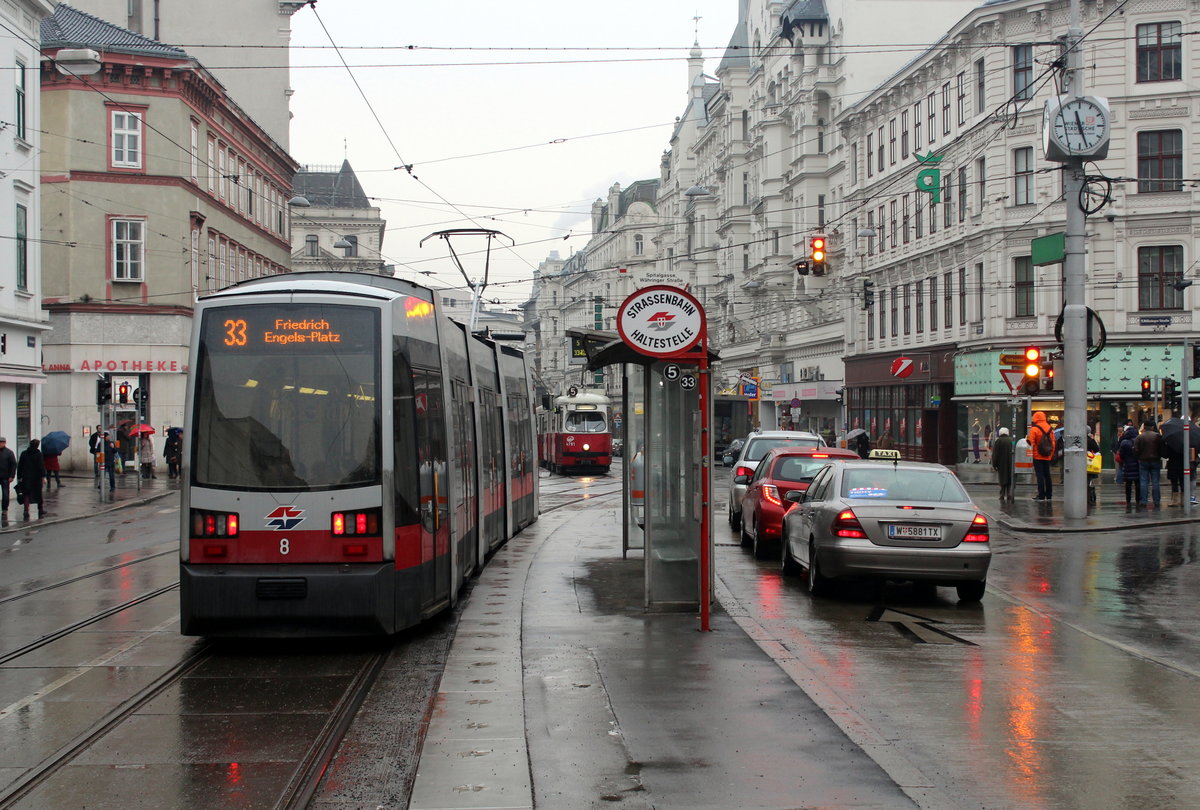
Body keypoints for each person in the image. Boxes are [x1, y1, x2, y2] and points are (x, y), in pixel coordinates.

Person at [1134, 420, 1164, 509]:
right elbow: (1161, 449)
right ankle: (1156, 501)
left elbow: (1136, 450)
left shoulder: (1140, 437)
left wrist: (1138, 457)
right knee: (1155, 482)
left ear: (1144, 427)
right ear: (1152, 427)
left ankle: (1144, 501)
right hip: (1155, 460)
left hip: (1143, 461)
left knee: (1143, 482)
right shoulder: (1157, 436)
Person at [1027, 411, 1055, 501]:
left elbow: (1030, 442)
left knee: (1040, 475)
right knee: (1047, 475)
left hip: (1037, 455)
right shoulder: (1050, 428)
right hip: (1047, 455)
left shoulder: (1034, 429)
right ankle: (1049, 495)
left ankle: (1041, 495)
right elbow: (1053, 443)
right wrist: (1051, 454)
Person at [16, 438, 45, 520]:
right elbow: (41, 466)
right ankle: (40, 510)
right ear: (37, 446)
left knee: (26, 495)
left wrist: (19, 477)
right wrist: (43, 476)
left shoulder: (24, 453)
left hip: (26, 478)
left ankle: (26, 511)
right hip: (36, 478)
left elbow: (20, 466)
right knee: (38, 494)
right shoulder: (39, 454)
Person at [1117, 424, 1141, 507]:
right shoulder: (1138, 441)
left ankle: (1128, 500)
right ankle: (1138, 499)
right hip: (1137, 464)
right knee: (1137, 483)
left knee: (1128, 484)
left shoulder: (1124, 442)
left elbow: (1121, 454)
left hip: (1127, 464)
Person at [990, 427, 1014, 502]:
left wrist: (994, 464)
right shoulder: (1011, 441)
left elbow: (995, 454)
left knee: (1002, 478)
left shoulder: (998, 441)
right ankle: (1009, 493)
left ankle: (1002, 494)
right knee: (1010, 478)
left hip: (1001, 463)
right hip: (1011, 463)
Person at [0, 437, 16, 515]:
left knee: (5, 494)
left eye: (1, 442)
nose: (0, 444)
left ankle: (4, 509)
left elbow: (13, 465)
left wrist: (12, 476)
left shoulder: (9, 452)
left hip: (5, 477)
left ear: (4, 443)